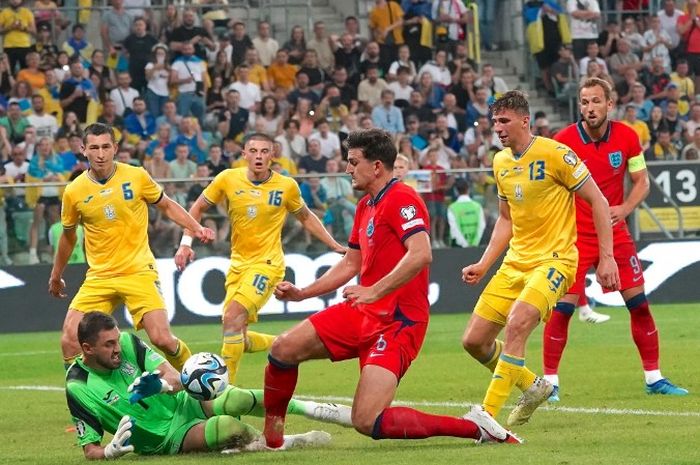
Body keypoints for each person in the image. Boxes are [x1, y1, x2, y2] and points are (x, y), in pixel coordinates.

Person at [261, 128, 521, 450]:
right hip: (364, 312)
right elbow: (350, 265)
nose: (347, 169)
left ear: (377, 167)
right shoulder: (365, 206)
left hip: (400, 321)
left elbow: (422, 253)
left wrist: (375, 290)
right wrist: (303, 293)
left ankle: (474, 427)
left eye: (353, 162)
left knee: (366, 420)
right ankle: (272, 442)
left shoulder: (403, 198)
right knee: (283, 349)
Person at [460, 90, 619, 427]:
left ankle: (487, 417)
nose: (498, 128)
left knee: (518, 324)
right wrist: (484, 264)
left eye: (504, 121)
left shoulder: (556, 153)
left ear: (524, 120)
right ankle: (533, 386)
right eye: (494, 122)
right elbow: (506, 219)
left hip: (555, 260)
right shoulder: (500, 161)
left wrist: (607, 259)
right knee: (474, 341)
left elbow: (599, 201)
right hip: (515, 262)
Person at [542, 77, 689, 401]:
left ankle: (654, 377)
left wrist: (625, 208)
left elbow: (642, 181)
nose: (589, 108)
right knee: (562, 310)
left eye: (596, 101)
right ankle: (549, 382)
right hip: (574, 238)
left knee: (639, 305)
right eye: (584, 102)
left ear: (610, 104)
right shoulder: (563, 141)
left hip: (616, 234)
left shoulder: (628, 137)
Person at [175, 133, 346, 384]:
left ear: (272, 154)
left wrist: (332, 244)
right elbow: (197, 207)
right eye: (253, 151)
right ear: (243, 154)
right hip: (238, 265)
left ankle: (223, 391)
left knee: (233, 316)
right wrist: (186, 242)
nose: (258, 156)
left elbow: (306, 217)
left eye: (264, 151)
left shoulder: (286, 186)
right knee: (237, 336)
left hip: (268, 265)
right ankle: (284, 345)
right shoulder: (227, 178)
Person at [66, 312, 352, 459]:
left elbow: (175, 378)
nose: (118, 348)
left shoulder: (129, 342)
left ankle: (318, 409)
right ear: (88, 349)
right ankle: (278, 443)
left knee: (236, 398)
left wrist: (162, 386)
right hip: (168, 437)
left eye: (116, 340)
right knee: (227, 426)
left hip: (182, 401)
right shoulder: (78, 387)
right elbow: (89, 449)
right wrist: (110, 451)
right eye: (109, 345)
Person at [48, 123, 216, 371]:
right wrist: (56, 274)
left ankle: (196, 385)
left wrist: (196, 227)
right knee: (70, 340)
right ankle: (85, 404)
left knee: (163, 339)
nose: (101, 154)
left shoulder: (136, 176)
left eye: (106, 146)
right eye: (94, 147)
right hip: (100, 276)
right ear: (83, 150)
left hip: (138, 270)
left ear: (115, 148)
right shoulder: (74, 191)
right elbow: (68, 237)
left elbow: (167, 205)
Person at [447, 178, 485, 248]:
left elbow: (454, 229)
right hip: (477, 246)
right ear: (468, 189)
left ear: (456, 191)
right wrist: (475, 242)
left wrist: (465, 244)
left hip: (458, 248)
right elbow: (481, 226)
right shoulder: (477, 206)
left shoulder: (452, 208)